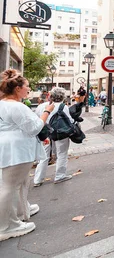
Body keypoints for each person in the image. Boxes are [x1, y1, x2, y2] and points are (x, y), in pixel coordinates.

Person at [0, 69, 54, 241]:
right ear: (17, 89)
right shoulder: (17, 106)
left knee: (16, 183)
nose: (28, 90)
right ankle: (8, 225)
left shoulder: (3, 104)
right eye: (27, 87)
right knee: (10, 186)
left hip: (8, 146)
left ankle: (21, 211)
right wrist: (47, 111)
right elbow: (34, 127)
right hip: (17, 149)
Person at [33, 87, 75, 186]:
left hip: (46, 133)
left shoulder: (42, 106)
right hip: (60, 133)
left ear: (51, 96)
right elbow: (69, 120)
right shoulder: (63, 106)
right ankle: (59, 176)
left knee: (44, 156)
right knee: (62, 154)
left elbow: (37, 119)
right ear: (63, 97)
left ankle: (38, 180)